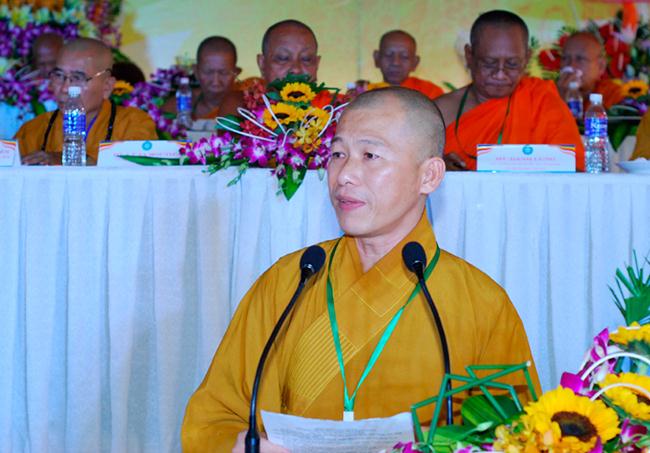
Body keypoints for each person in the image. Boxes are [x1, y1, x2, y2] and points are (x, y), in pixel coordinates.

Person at [181, 87, 540, 452]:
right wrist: (240, 445)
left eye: (370, 155)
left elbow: (517, 436)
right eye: (338, 154)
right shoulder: (290, 282)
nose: (345, 175)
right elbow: (214, 416)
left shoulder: (481, 304)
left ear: (429, 176)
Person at [435, 10, 585, 171]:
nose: (500, 74)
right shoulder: (440, 112)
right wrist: (440, 166)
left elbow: (574, 170)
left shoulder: (542, 101)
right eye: (489, 63)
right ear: (469, 55)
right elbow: (417, 167)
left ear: (527, 58)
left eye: (512, 64)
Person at [15, 38, 157, 165]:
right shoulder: (33, 130)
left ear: (107, 86)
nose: (65, 88)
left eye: (77, 78)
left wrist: (66, 160)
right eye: (58, 75)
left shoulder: (133, 123)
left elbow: (136, 169)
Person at [220, 19, 322, 116]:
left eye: (306, 59)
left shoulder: (329, 110)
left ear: (317, 64)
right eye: (283, 58)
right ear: (262, 64)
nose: (296, 69)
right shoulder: (240, 107)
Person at [162, 36, 241, 121]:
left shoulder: (247, 102)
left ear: (236, 73)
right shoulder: (180, 104)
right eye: (208, 72)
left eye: (224, 73)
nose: (216, 81)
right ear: (196, 71)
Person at [557, 31, 623, 110]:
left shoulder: (614, 95)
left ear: (601, 66)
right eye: (565, 58)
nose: (571, 65)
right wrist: (558, 99)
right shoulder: (548, 94)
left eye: (580, 59)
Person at [373, 30, 444, 100]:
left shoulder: (430, 91)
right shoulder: (370, 92)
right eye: (388, 55)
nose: (395, 62)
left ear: (415, 63)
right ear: (377, 58)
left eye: (404, 56)